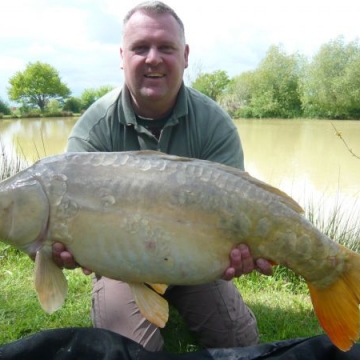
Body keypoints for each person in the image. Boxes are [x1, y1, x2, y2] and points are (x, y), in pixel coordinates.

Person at [52, 0, 272, 352]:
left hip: (196, 258)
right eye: (140, 48)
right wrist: (67, 245)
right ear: (122, 56)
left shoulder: (215, 124)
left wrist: (243, 249)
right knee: (129, 350)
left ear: (184, 55)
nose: (153, 58)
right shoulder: (92, 130)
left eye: (165, 47)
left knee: (239, 343)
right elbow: (69, 222)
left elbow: (238, 212)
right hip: (123, 266)